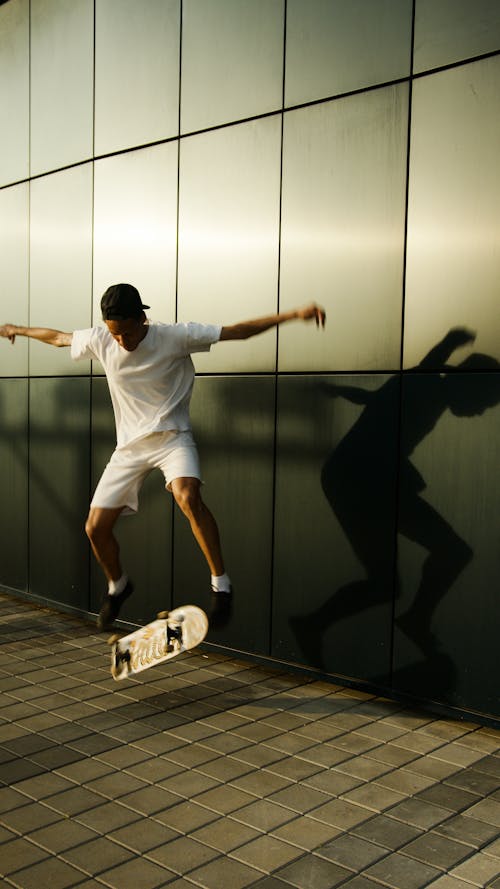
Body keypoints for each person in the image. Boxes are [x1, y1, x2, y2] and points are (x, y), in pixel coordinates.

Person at [1, 283, 326, 631]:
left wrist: (293, 315)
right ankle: (118, 586)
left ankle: (222, 586)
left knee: (188, 495)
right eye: (115, 335)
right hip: (128, 448)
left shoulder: (175, 336)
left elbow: (237, 333)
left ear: (142, 318)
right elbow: (58, 338)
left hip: (172, 438)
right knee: (95, 528)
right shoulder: (102, 339)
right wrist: (17, 329)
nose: (122, 342)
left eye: (127, 333)